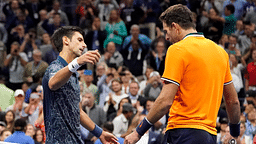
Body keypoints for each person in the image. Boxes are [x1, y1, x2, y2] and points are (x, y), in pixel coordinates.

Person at [124, 4, 241, 144]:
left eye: (166, 31)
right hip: (209, 136)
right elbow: (233, 101)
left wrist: (138, 132)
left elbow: (165, 101)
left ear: (175, 26)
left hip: (182, 133)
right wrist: (234, 132)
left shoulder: (177, 49)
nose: (166, 37)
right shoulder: (221, 53)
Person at [42, 26, 118, 143]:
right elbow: (52, 83)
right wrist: (76, 62)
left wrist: (100, 133)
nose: (84, 45)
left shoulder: (74, 75)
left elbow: (78, 112)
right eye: (79, 40)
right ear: (66, 40)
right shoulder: (54, 67)